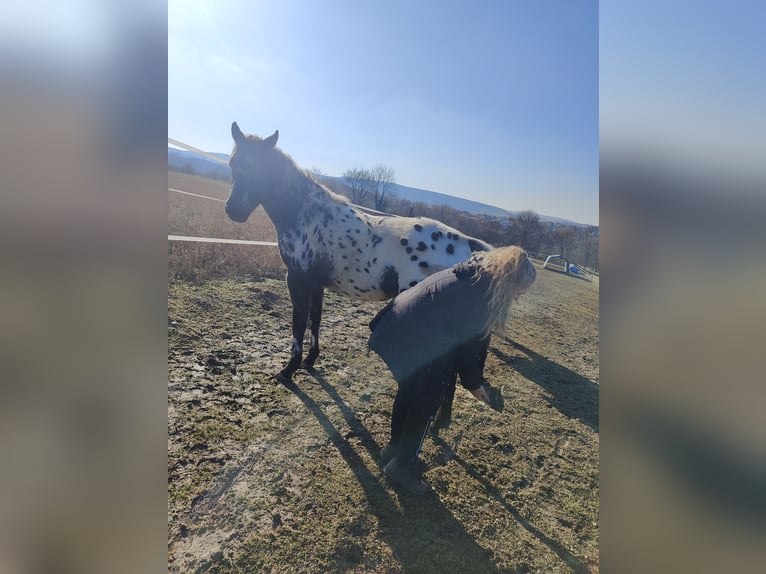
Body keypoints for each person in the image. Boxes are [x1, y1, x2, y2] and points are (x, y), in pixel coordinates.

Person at [368, 245, 537, 494]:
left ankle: (394, 447)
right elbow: (466, 353)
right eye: (518, 294)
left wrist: (477, 380)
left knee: (409, 389)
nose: (518, 299)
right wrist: (477, 387)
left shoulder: (476, 274)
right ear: (507, 283)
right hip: (416, 335)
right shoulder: (480, 298)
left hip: (400, 326)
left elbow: (473, 341)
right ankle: (401, 467)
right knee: (426, 402)